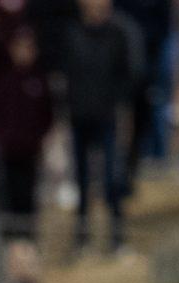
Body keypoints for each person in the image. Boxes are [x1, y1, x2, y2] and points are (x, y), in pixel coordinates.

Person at [60, 0, 140, 253]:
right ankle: (81, 238)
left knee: (112, 178)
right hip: (79, 117)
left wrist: (120, 109)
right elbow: (65, 74)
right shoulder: (72, 33)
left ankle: (117, 238)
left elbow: (130, 75)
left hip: (108, 117)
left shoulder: (119, 33)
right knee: (82, 181)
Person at [0, 26, 54, 220]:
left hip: (31, 153)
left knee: (28, 198)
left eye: (28, 47)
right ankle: (7, 244)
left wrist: (38, 139)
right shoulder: (1, 79)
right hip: (5, 152)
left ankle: (28, 242)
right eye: (19, 47)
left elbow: (48, 114)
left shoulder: (40, 80)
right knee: (5, 198)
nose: (23, 52)